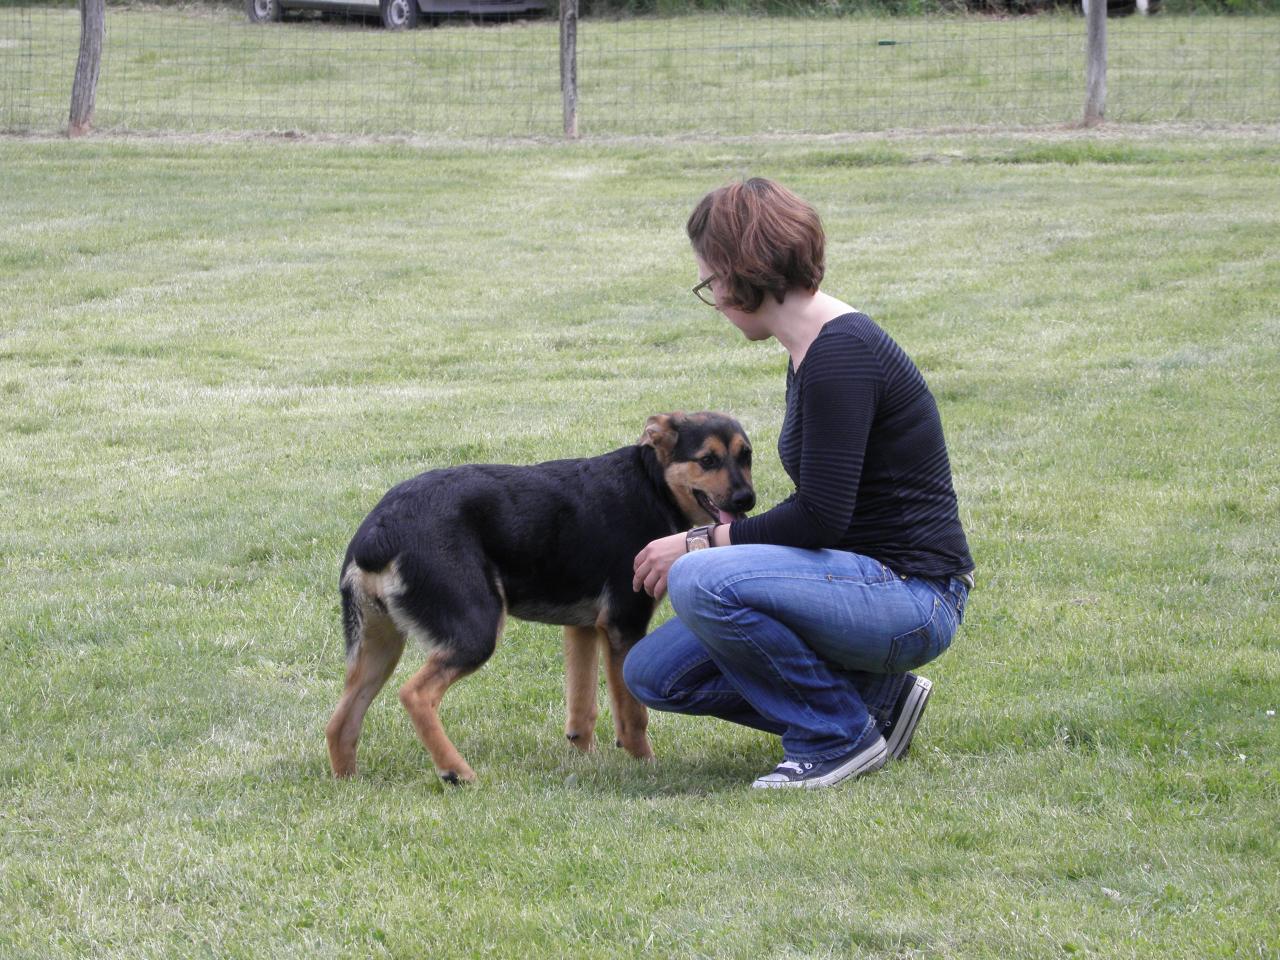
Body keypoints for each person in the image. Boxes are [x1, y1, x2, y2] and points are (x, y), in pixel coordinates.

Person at [624, 178, 974, 789]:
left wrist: (697, 542)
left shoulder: (841, 356)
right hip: (862, 583)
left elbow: (821, 518)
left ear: (738, 274)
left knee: (698, 578)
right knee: (654, 673)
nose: (714, 297)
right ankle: (880, 702)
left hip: (915, 597)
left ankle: (836, 735)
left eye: (710, 282)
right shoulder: (809, 350)